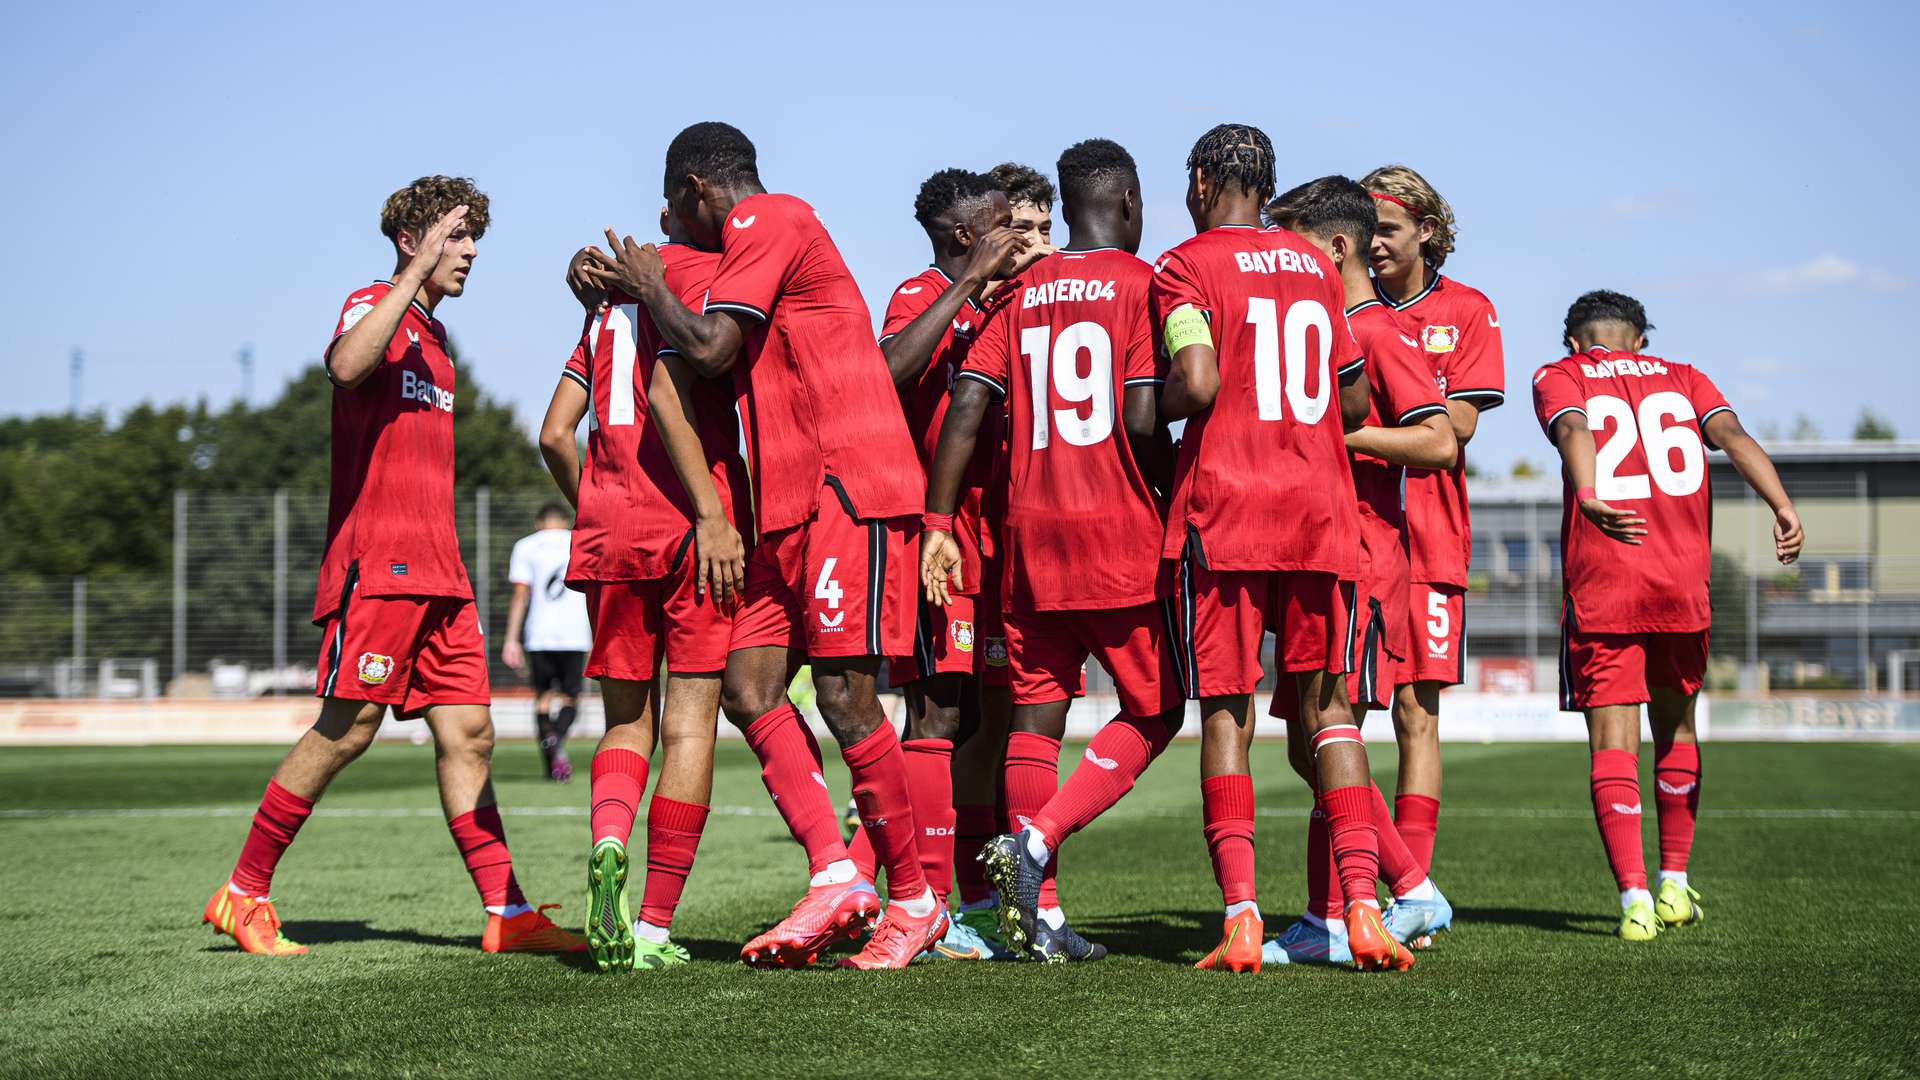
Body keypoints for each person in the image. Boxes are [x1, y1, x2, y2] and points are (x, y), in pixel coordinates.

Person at [585, 122, 942, 969]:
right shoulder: (738, 252)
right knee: (750, 688)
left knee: (849, 699)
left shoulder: (773, 218)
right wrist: (606, 277)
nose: (668, 225)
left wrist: (642, 278)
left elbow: (708, 349)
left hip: (845, 487)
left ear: (699, 189)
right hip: (784, 503)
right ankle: (833, 873)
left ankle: (915, 900)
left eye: (674, 207)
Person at [201, 176, 583, 956]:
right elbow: (344, 367)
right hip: (381, 569)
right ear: (412, 240)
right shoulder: (370, 304)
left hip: (440, 575)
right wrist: (406, 282)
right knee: (349, 729)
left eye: (475, 237)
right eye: (457, 235)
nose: (472, 251)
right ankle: (243, 892)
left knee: (473, 733)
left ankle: (508, 915)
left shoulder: (439, 341)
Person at [1153, 125, 1410, 973]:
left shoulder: (1185, 267)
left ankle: (1241, 918)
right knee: (1329, 708)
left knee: (1226, 708)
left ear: (1200, 183)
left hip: (1227, 510)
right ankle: (1364, 911)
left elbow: (1196, 382)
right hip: (1319, 513)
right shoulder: (1313, 267)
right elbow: (1355, 398)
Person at [929, 138, 1183, 964]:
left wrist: (937, 526)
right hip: (1119, 538)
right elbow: (1145, 418)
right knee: (1158, 709)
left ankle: (1039, 920)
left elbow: (967, 405)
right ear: (1132, 203)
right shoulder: (1142, 287)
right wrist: (1174, 486)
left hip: (1029, 540)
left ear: (1066, 211)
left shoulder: (1024, 291)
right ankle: (1035, 844)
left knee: (1035, 724)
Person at [1534, 290, 1802, 940]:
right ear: (1640, 341)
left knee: (1614, 741)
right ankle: (1674, 885)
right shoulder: (1684, 377)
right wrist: (1783, 506)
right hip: (1682, 583)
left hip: (1606, 581)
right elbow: (1732, 435)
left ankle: (1632, 901)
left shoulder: (1559, 374)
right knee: (1677, 727)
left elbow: (1574, 427)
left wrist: (1591, 493)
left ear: (1575, 342)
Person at [539, 208, 750, 971]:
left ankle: (605, 843)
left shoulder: (601, 314)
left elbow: (554, 434)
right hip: (698, 532)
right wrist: (713, 511)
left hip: (609, 534)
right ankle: (656, 924)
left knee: (627, 725)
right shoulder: (704, 287)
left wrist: (594, 501)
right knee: (691, 729)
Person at [1263, 176, 1458, 965]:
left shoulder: (1374, 331)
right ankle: (1331, 914)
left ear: (1334, 247)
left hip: (1364, 562)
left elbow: (1441, 441)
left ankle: (1404, 889)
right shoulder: (1331, 326)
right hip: (1324, 554)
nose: (1279, 259)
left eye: (1293, 242)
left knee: (1327, 729)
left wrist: (1339, 441)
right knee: (1305, 741)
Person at [866, 168, 1025, 960]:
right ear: (966, 236)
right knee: (938, 715)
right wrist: (965, 285)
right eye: (1000, 222)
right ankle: (915, 899)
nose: (1015, 234)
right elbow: (886, 372)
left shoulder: (1013, 298)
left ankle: (970, 896)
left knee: (992, 720)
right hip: (943, 538)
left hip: (1009, 535)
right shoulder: (921, 290)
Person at [1361, 164, 1506, 878]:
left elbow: (1458, 425)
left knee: (1416, 715)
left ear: (1426, 230)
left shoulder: (1469, 310)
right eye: (1365, 231)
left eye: (1386, 229)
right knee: (1338, 719)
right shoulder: (1341, 308)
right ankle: (1359, 887)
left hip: (1431, 540)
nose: (1374, 244)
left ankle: (1411, 892)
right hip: (1355, 536)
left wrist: (1363, 421)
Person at [502, 502, 592, 781]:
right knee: (570, 697)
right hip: (576, 633)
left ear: (538, 522)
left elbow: (520, 595)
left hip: (538, 633)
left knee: (542, 698)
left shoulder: (526, 546)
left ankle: (550, 760)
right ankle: (557, 742)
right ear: (565, 521)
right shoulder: (580, 542)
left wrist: (510, 639)